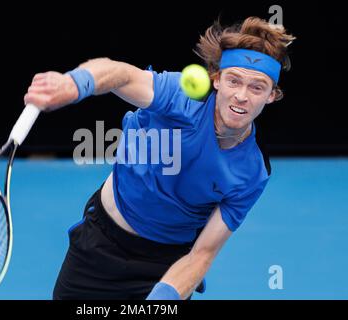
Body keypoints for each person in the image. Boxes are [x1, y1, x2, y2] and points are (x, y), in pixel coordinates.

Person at [24, 17, 295, 300]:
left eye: (257, 87)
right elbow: (121, 74)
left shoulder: (253, 171)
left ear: (272, 96)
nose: (241, 96)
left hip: (168, 266)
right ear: (216, 79)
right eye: (234, 81)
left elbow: (203, 254)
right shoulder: (182, 98)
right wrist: (75, 83)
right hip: (100, 243)